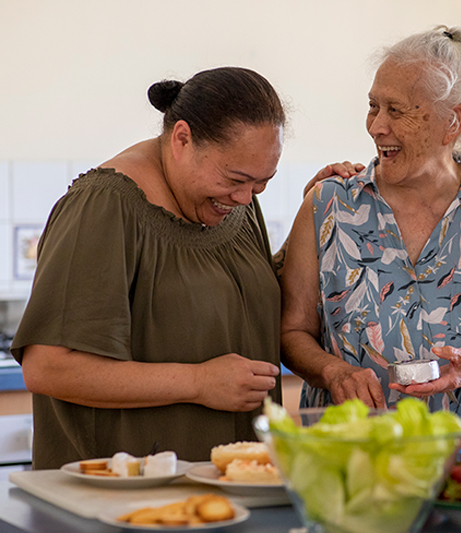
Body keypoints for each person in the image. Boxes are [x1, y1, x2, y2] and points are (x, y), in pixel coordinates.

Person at [10, 67, 359, 469]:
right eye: (237, 178)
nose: (246, 197)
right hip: (125, 502)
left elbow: (250, 301)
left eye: (261, 184)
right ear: (181, 139)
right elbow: (48, 368)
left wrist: (313, 212)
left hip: (223, 495)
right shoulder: (105, 206)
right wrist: (198, 382)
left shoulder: (229, 203)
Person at [280, 26, 461, 439]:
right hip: (351, 463)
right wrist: (332, 370)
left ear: (452, 121)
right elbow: (291, 333)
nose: (377, 126)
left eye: (396, 111)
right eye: (373, 107)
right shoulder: (328, 205)